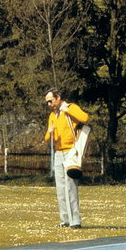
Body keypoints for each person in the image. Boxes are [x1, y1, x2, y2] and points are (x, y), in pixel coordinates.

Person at [44, 89, 89, 228]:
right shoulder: (52, 115)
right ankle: (65, 220)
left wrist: (66, 109)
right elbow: (47, 139)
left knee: (70, 187)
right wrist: (48, 133)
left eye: (50, 101)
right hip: (58, 153)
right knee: (60, 188)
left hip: (71, 152)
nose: (49, 104)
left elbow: (85, 118)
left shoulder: (71, 108)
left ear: (58, 98)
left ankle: (75, 221)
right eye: (47, 102)